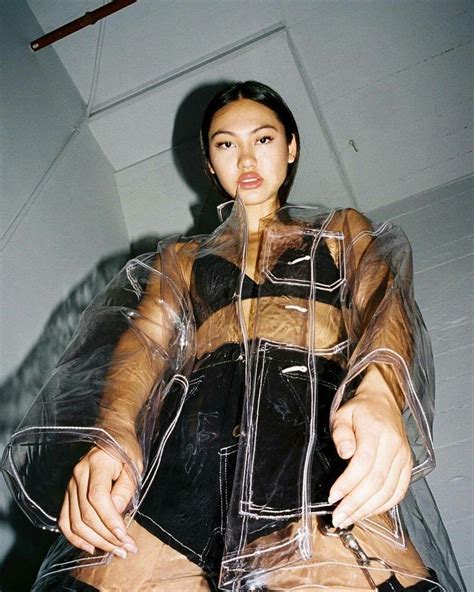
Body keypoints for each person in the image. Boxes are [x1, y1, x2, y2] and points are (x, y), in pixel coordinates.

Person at [1, 81, 465, 591]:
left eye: (263, 139)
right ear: (210, 164)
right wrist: (114, 437)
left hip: (309, 437)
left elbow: (385, 302)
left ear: (291, 147)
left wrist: (380, 391)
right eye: (226, 144)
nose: (245, 156)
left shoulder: (339, 229)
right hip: (185, 444)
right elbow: (145, 345)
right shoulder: (181, 257)